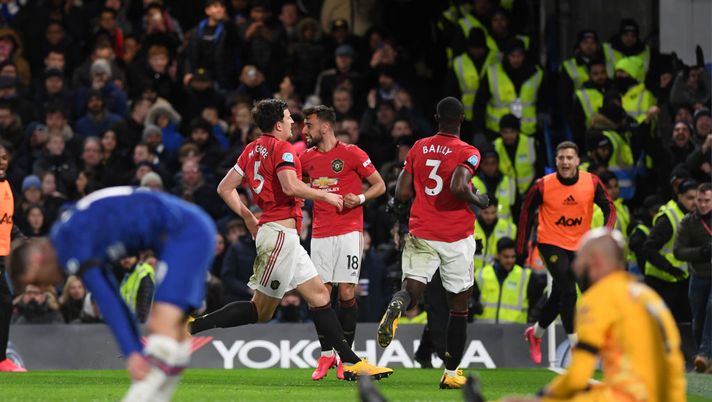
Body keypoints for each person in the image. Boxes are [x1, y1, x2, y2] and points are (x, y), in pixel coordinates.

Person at [187, 99, 392, 381]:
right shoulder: (282, 148)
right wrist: (325, 195)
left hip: (283, 237)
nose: (294, 123)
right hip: (279, 236)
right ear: (279, 125)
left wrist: (248, 215)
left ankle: (351, 362)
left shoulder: (251, 149)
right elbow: (290, 186)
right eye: (289, 117)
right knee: (260, 311)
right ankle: (191, 327)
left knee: (320, 296)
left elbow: (225, 187)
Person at [8, 187, 217, 401]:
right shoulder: (69, 232)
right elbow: (111, 293)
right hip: (183, 232)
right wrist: (133, 349)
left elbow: (107, 298)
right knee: (173, 337)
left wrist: (132, 352)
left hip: (184, 235)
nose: (42, 287)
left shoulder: (73, 241)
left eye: (36, 281)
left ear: (37, 261)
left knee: (161, 327)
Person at [376, 97, 488, 389]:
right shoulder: (469, 151)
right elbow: (458, 186)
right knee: (459, 307)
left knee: (412, 289)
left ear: (436, 117)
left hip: (421, 231)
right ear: (461, 118)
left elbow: (401, 192)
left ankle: (398, 303)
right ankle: (451, 374)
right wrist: (479, 200)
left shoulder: (419, 147)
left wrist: (399, 213)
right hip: (456, 237)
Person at [501, 229, 686, 402]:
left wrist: (544, 396)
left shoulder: (600, 297)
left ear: (595, 260)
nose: (576, 265)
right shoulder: (648, 296)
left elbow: (578, 376)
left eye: (580, 257)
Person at [299, 105, 386, 380]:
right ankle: (326, 355)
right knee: (321, 295)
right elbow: (297, 185)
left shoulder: (352, 153)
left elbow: (379, 184)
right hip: (321, 232)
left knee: (347, 292)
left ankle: (346, 356)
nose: (305, 130)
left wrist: (360, 199)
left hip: (349, 230)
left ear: (325, 126)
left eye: (309, 124)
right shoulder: (306, 158)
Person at [517, 141, 615, 364]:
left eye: (570, 158)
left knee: (561, 293)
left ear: (578, 160)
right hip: (550, 243)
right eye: (561, 158)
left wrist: (606, 234)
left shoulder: (591, 182)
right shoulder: (543, 185)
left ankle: (536, 334)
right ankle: (576, 349)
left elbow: (610, 207)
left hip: (579, 246)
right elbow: (525, 212)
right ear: (556, 160)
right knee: (569, 291)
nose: (565, 162)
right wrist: (521, 247)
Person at [643, 179, 697, 322]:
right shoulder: (669, 218)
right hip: (661, 281)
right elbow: (648, 249)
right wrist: (669, 268)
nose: (694, 203)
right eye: (690, 198)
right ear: (679, 196)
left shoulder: (695, 215)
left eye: (696, 198)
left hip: (681, 280)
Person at [674, 182, 712, 373]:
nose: (703, 204)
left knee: (711, 309)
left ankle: (704, 354)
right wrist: (701, 252)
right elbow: (678, 251)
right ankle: (703, 359)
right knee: (698, 319)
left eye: (707, 200)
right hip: (699, 275)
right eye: (700, 200)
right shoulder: (688, 222)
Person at [474, 237, 541, 324]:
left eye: (513, 257)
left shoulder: (525, 277)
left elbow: (535, 305)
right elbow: (472, 300)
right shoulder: (481, 275)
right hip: (484, 329)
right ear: (498, 255)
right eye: (506, 257)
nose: (510, 260)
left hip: (514, 331)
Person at [0, 143, 25, 371]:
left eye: (4, 157)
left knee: (5, 304)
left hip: (1, 254)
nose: (2, 161)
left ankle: (1, 360)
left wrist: (21, 238)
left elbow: (6, 221)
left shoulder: (6, 186)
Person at [474, 196, 517, 271]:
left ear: (497, 210)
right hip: (472, 275)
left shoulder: (509, 229)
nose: (489, 217)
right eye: (486, 212)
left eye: (493, 212)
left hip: (494, 276)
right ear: (479, 210)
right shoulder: (470, 227)